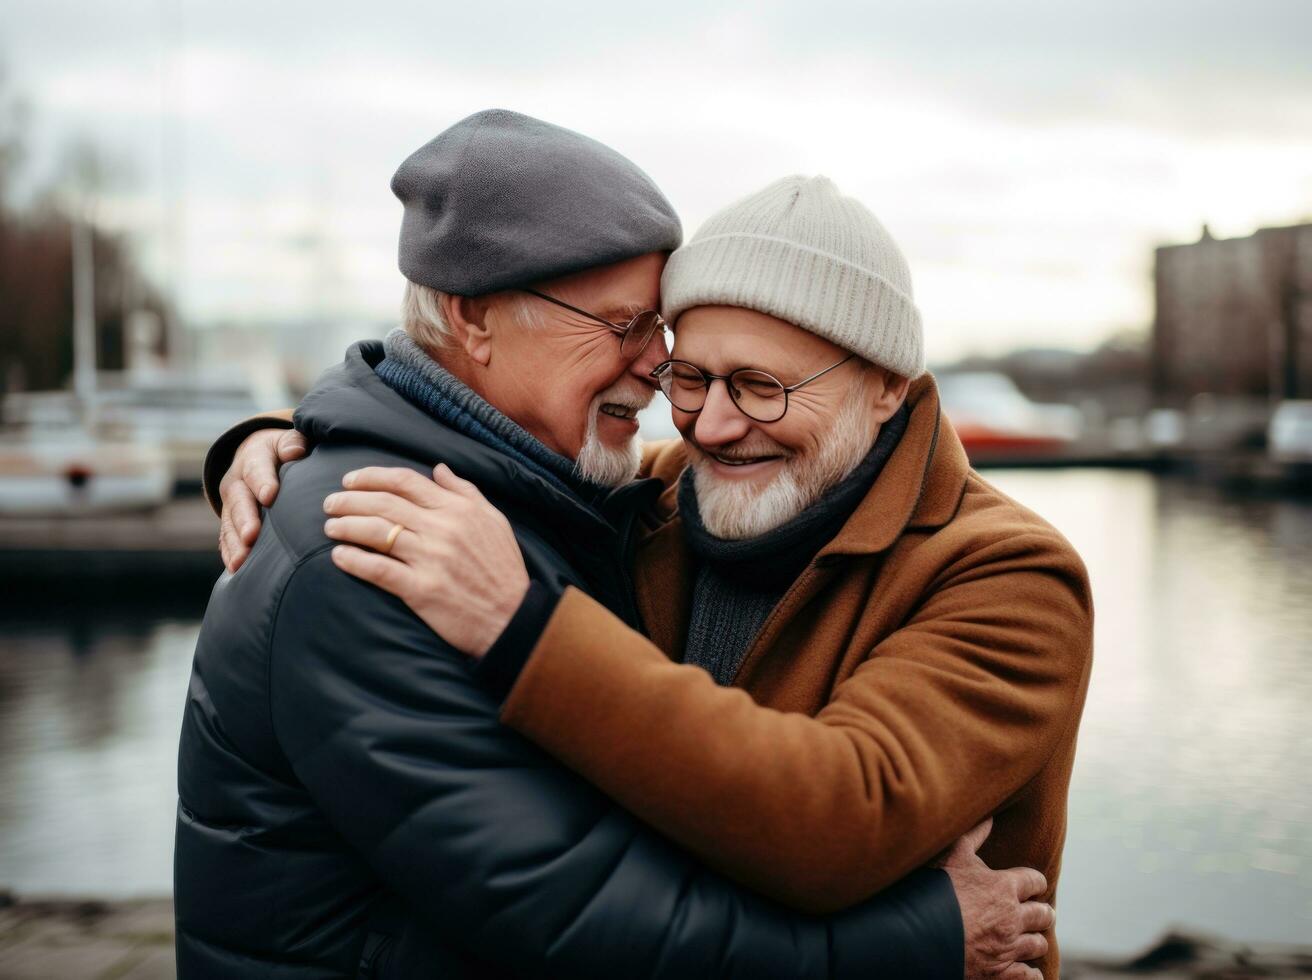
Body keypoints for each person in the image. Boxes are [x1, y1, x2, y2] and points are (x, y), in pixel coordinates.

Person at [179, 110, 1052, 979]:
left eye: (759, 386)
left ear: (888, 387)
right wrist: (288, 448)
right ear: (474, 315)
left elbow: (843, 813)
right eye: (689, 372)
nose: (708, 422)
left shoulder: (1007, 573)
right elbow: (578, 913)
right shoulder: (392, 541)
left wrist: (526, 625)